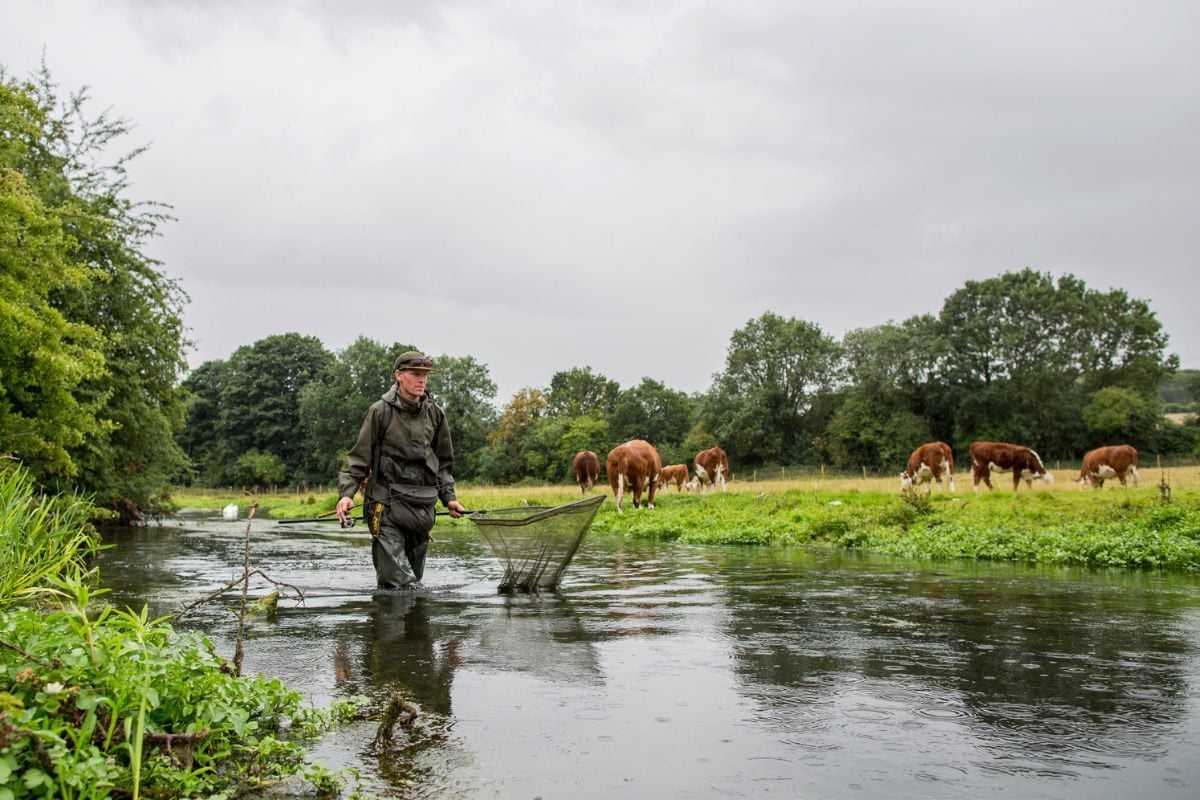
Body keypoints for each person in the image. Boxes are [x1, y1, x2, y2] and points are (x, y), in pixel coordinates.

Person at [336, 351, 466, 588]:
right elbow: (359, 458)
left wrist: (449, 498)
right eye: (416, 374)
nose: (422, 380)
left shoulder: (436, 414)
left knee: (414, 580)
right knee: (396, 584)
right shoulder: (380, 411)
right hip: (385, 506)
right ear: (399, 375)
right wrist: (346, 495)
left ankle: (414, 625)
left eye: (425, 375)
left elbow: (444, 463)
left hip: (422, 507)